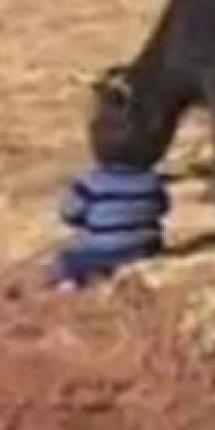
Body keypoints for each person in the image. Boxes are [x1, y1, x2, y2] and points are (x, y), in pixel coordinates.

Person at [48, 76, 171, 289]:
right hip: (147, 248)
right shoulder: (151, 180)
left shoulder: (91, 183)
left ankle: (70, 284)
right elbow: (162, 207)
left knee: (66, 260)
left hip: (102, 250)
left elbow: (68, 213)